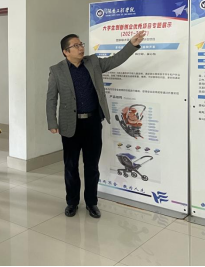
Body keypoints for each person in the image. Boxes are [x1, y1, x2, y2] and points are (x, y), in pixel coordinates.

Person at [47, 31, 146, 220]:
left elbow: (116, 60)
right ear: (65, 51)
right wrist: (52, 121)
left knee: (92, 166)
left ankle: (92, 202)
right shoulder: (56, 70)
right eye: (76, 45)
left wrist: (131, 44)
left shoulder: (93, 62)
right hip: (70, 124)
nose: (81, 48)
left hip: (92, 123)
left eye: (81, 44)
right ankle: (72, 202)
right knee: (70, 166)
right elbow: (51, 98)